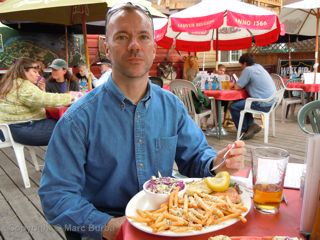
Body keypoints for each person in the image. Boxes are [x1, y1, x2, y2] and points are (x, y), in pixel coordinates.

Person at [38, 3, 246, 240]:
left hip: (166, 223)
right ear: (107, 47)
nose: (134, 46)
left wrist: (216, 163)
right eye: (122, 36)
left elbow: (196, 158)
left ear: (154, 48)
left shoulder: (171, 106)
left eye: (143, 36)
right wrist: (108, 226)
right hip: (105, 229)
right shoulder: (78, 119)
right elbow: (56, 196)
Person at [0, 57, 74, 146]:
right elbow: (46, 99)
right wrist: (72, 97)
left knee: (65, 124)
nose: (38, 75)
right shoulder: (23, 86)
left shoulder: (14, 83)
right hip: (22, 129)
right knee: (71, 126)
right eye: (35, 72)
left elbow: (37, 99)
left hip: (13, 128)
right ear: (24, 71)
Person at [230, 53, 276, 140]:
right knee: (244, 103)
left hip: (262, 104)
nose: (241, 67)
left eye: (241, 65)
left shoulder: (248, 70)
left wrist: (233, 84)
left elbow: (237, 87)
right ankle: (251, 126)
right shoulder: (259, 67)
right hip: (272, 102)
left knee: (234, 107)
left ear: (244, 63)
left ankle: (244, 131)